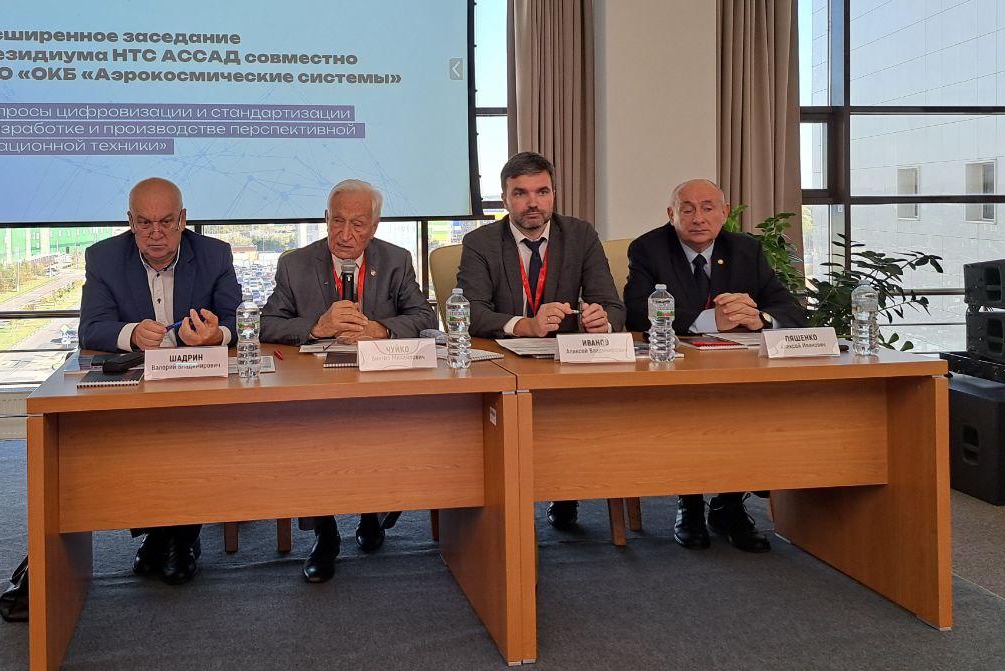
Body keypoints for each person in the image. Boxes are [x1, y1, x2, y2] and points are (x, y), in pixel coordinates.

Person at [260, 179, 437, 582]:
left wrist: (381, 329)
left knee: (383, 427)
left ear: (374, 226)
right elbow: (266, 324)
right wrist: (316, 327)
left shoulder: (395, 259)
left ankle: (371, 512)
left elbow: (425, 317)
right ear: (326, 218)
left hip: (379, 385)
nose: (345, 234)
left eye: (357, 224)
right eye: (337, 221)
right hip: (315, 388)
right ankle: (325, 534)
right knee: (313, 435)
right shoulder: (295, 264)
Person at [624, 178, 806, 553]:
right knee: (692, 409)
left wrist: (760, 319)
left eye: (708, 208)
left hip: (737, 368)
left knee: (747, 407)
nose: (698, 218)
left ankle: (728, 504)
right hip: (674, 368)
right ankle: (689, 504)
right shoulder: (648, 248)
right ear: (671, 214)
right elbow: (636, 312)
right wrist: (710, 321)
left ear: (724, 213)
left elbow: (790, 310)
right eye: (687, 209)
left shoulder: (745, 250)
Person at [79, 177, 243, 584]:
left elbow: (238, 319)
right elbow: (91, 328)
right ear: (130, 221)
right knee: (136, 437)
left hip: (199, 384)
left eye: (167, 222)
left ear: (183, 219)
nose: (156, 234)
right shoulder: (104, 258)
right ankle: (162, 533)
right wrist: (131, 333)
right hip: (139, 387)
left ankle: (179, 538)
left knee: (190, 431)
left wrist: (216, 335)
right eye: (145, 223)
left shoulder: (214, 254)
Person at [456, 151, 625, 531]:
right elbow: (470, 314)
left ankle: (563, 487)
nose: (532, 203)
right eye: (521, 193)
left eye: (542, 192)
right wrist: (524, 325)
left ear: (554, 195)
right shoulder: (481, 242)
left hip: (567, 365)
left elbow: (613, 306)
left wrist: (603, 321)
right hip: (501, 362)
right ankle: (503, 503)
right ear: (505, 200)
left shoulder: (580, 235)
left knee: (576, 417)